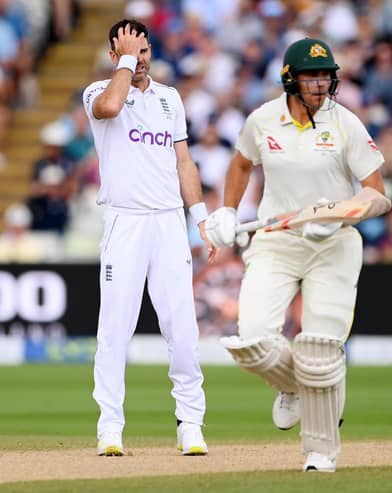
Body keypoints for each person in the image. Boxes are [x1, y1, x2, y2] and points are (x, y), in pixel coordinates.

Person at [204, 38, 388, 472]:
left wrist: (341, 212)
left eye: (325, 75)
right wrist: (229, 209)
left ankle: (321, 452)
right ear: (290, 79)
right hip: (276, 240)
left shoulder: (346, 124)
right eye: (311, 75)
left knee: (320, 349)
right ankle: (294, 385)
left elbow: (378, 195)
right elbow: (241, 164)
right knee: (252, 341)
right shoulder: (263, 120)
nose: (321, 84)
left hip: (334, 245)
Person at [82, 19, 215, 457]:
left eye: (142, 51)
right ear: (113, 55)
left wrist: (200, 218)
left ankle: (190, 423)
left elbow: (183, 163)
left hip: (168, 223)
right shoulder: (98, 93)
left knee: (182, 328)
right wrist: (123, 63)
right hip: (125, 221)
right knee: (114, 330)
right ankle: (110, 427)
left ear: (152, 52)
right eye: (126, 51)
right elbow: (111, 108)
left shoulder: (170, 99)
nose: (137, 60)